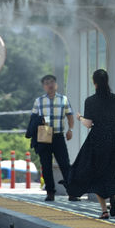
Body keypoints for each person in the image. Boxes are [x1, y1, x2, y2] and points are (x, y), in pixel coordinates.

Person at [68, 69, 115, 219]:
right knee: (111, 169)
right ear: (107, 81)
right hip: (114, 137)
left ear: (94, 82)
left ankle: (104, 210)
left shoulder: (90, 100)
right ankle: (113, 197)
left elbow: (88, 124)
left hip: (97, 138)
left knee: (95, 173)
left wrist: (80, 118)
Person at [31, 74, 76, 202]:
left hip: (58, 135)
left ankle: (72, 192)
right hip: (44, 134)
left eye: (52, 82)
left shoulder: (64, 100)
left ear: (56, 85)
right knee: (46, 165)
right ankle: (50, 192)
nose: (50, 85)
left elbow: (70, 116)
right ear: (43, 86)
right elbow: (32, 119)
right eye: (46, 83)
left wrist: (70, 130)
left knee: (65, 164)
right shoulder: (38, 101)